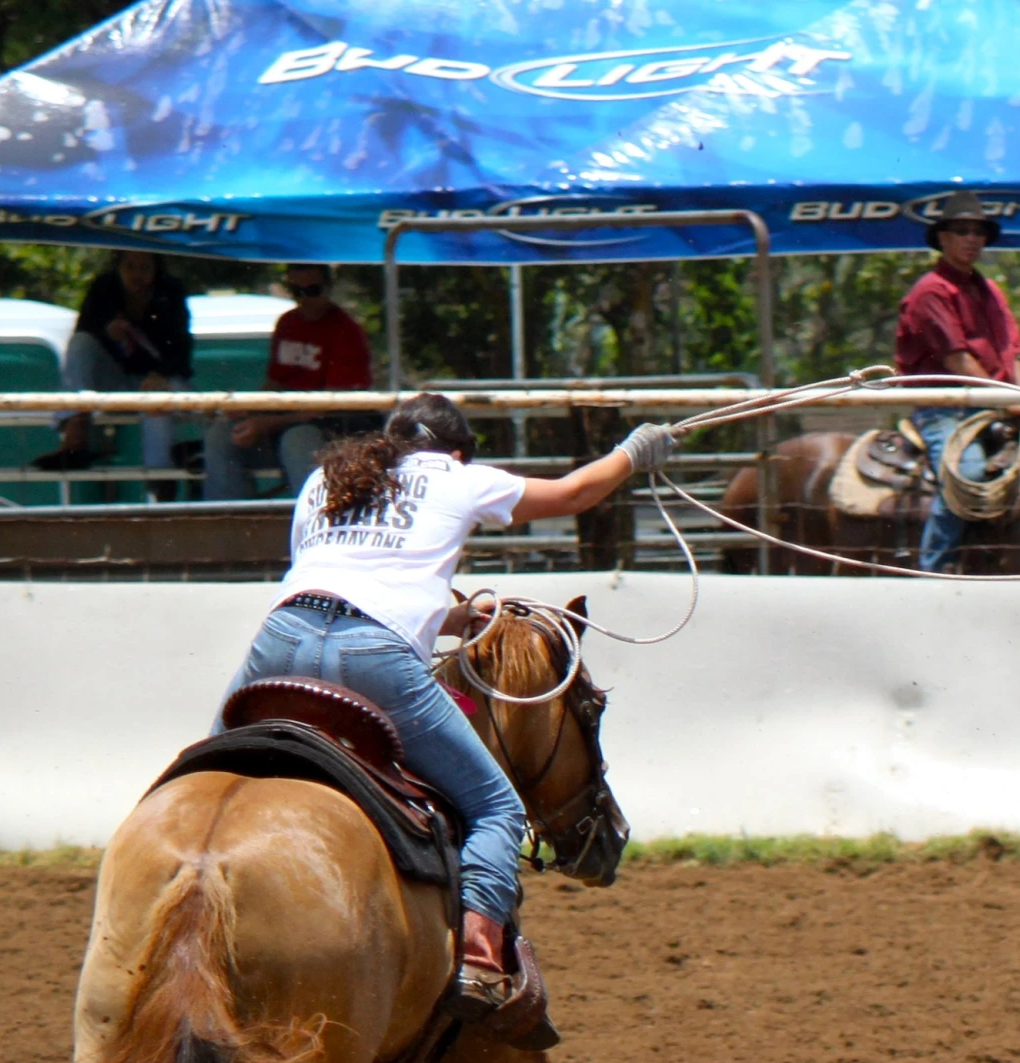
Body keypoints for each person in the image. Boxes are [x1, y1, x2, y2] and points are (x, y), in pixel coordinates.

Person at [217, 392, 676, 1009]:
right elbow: (571, 494)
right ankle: (479, 964)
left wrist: (452, 615)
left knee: (208, 774)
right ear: (455, 452)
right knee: (497, 808)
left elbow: (341, 583)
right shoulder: (457, 479)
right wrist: (633, 453)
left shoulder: (324, 479)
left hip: (280, 640)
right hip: (373, 657)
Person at [893, 191, 1020, 572]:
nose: (972, 239)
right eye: (962, 231)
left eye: (978, 232)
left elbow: (1012, 352)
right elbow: (958, 361)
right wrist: (1011, 400)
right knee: (967, 475)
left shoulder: (989, 290)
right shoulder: (930, 292)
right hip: (945, 409)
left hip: (994, 400)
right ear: (943, 238)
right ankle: (934, 567)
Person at [205, 263, 373, 501]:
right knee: (222, 434)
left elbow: (329, 407)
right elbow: (274, 384)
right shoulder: (288, 323)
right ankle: (230, 522)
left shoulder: (347, 331)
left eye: (312, 290)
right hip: (282, 425)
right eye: (296, 291)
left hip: (332, 433)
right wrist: (247, 408)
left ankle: (316, 520)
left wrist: (267, 423)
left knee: (298, 440)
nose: (304, 298)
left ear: (329, 287)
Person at [36, 250, 193, 498]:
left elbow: (182, 348)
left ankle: (160, 483)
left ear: (156, 270)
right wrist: (106, 334)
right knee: (81, 343)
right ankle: (74, 430)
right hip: (117, 382)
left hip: (163, 381)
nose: (136, 275)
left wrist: (160, 374)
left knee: (156, 403)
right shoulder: (103, 288)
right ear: (118, 267)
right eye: (129, 267)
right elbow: (84, 335)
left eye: (144, 268)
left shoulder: (170, 292)